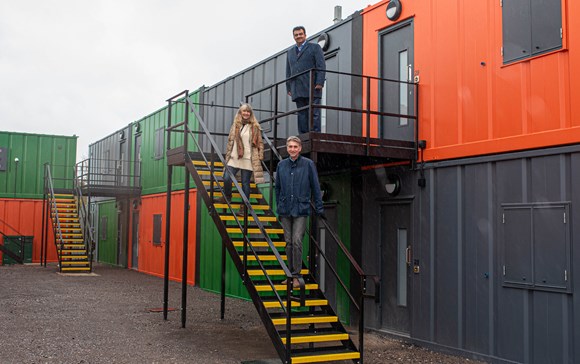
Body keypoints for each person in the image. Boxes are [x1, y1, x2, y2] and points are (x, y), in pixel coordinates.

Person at [275, 136, 324, 288]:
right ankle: (289, 274)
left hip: (301, 209)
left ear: (300, 148)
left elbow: (315, 187)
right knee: (288, 242)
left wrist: (319, 207)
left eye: (295, 147)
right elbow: (277, 188)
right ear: (287, 148)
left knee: (297, 240)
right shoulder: (281, 165)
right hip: (285, 210)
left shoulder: (308, 164)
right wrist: (279, 204)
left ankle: (296, 276)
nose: (292, 149)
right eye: (290, 147)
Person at [217, 103, 264, 216]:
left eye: (248, 111)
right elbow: (230, 141)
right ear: (240, 112)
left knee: (245, 183)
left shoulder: (254, 127)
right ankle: (228, 196)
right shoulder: (235, 125)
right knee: (226, 178)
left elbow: (260, 143)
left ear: (250, 114)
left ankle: (244, 207)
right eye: (244, 111)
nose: (246, 113)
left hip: (247, 158)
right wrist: (228, 154)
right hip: (234, 157)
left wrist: (260, 155)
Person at [286, 26, 326, 134]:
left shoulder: (315, 47)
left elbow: (321, 65)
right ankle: (303, 136)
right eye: (296, 35)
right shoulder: (290, 52)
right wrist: (289, 87)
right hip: (297, 87)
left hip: (312, 85)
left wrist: (319, 82)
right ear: (293, 37)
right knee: (301, 113)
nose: (298, 36)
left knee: (314, 112)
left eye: (300, 34)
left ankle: (315, 134)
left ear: (305, 35)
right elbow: (288, 71)